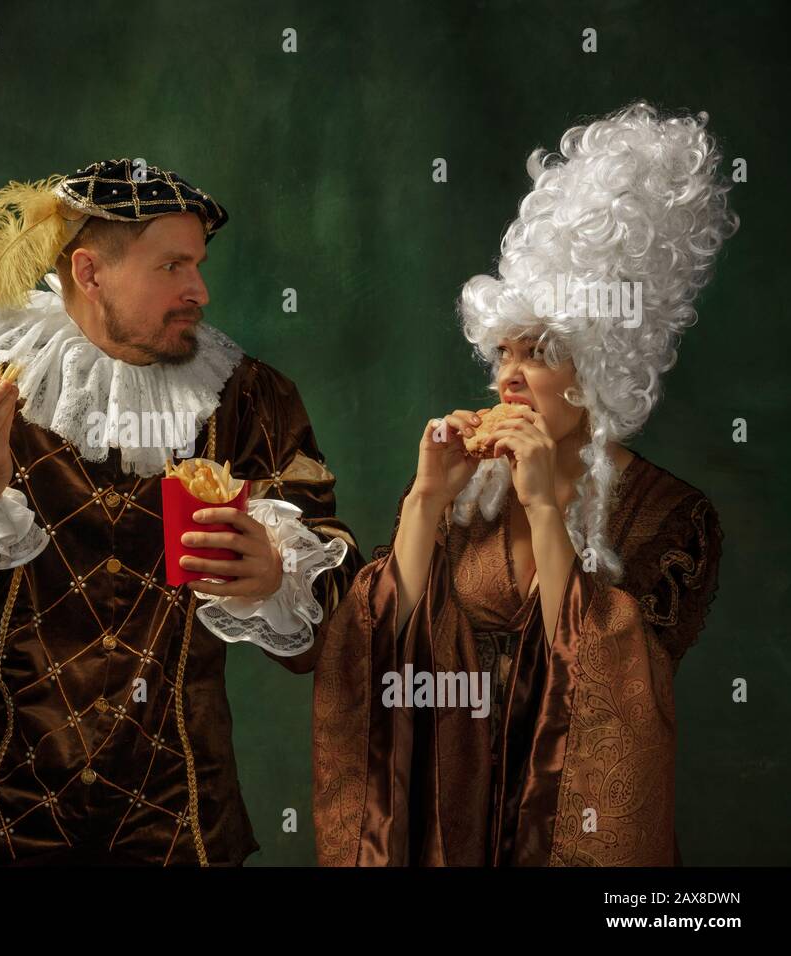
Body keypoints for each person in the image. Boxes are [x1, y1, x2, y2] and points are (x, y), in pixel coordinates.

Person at [0, 159, 361, 865]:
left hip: (182, 819)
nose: (199, 290)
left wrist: (274, 577)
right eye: (172, 266)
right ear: (88, 272)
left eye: (198, 265)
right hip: (3, 813)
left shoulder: (252, 401)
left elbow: (343, 619)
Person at [313, 103, 738, 866]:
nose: (508, 376)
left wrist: (546, 506)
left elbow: (614, 691)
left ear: (601, 367)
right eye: (503, 350)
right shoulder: (471, 498)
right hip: (449, 831)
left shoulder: (676, 519)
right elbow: (377, 648)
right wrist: (425, 502)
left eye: (538, 351)